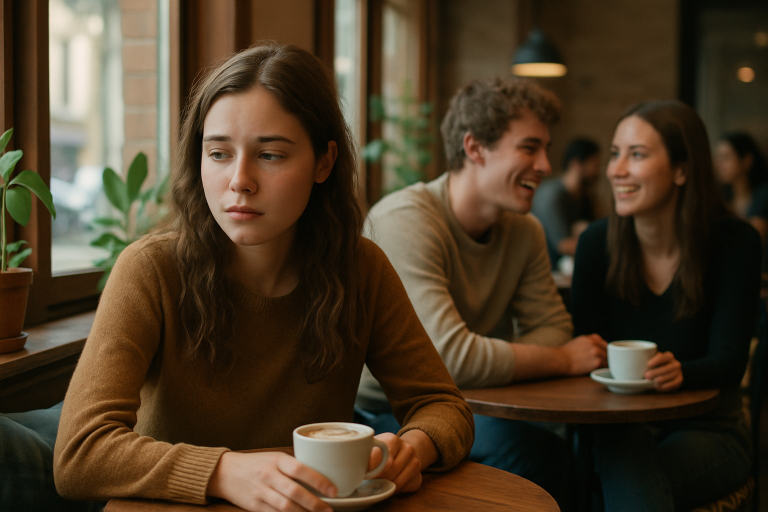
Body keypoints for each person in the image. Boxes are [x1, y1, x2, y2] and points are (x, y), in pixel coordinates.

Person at [52, 43, 474, 512]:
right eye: (218, 153)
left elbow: (444, 405)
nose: (239, 180)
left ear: (323, 162)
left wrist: (413, 447)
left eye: (270, 155)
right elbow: (79, 455)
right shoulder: (150, 269)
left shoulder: (360, 269)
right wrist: (224, 471)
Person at [355, 76, 608, 512]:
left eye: (546, 148)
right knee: (537, 453)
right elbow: (451, 358)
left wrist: (483, 358)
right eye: (530, 148)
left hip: (480, 404)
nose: (546, 165)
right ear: (475, 148)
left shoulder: (525, 231)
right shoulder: (406, 220)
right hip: (396, 411)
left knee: (577, 444)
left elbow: (553, 326)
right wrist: (563, 359)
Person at [570, 100, 759, 511]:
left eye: (636, 155)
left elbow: (729, 362)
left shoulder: (735, 243)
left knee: (623, 484)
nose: (616, 170)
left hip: (709, 430)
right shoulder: (596, 244)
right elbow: (584, 347)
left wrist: (680, 372)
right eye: (615, 153)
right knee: (625, 460)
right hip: (617, 427)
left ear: (682, 169)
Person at [531, 137, 601, 266]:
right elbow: (562, 245)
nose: (597, 171)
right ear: (576, 164)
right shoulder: (552, 196)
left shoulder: (586, 197)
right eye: (594, 165)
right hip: (551, 269)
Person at [714, 131, 768, 244]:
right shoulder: (722, 198)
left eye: (726, 157)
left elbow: (755, 239)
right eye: (718, 158)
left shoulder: (763, 194)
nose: (719, 164)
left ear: (747, 160)